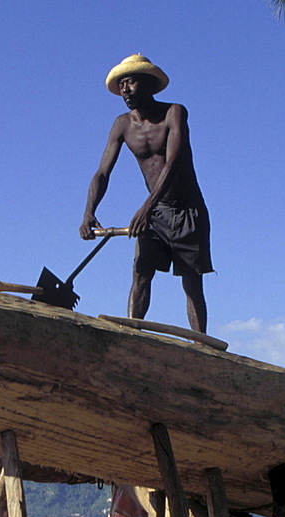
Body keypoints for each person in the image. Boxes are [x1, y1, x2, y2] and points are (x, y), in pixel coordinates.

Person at [80, 53, 213, 332]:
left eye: (131, 83)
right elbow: (103, 172)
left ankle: (202, 345)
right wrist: (89, 211)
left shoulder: (174, 113)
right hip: (155, 213)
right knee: (141, 274)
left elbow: (174, 162)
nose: (125, 89)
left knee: (191, 282)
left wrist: (146, 207)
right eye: (122, 85)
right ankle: (131, 333)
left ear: (149, 85)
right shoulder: (122, 124)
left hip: (187, 209)